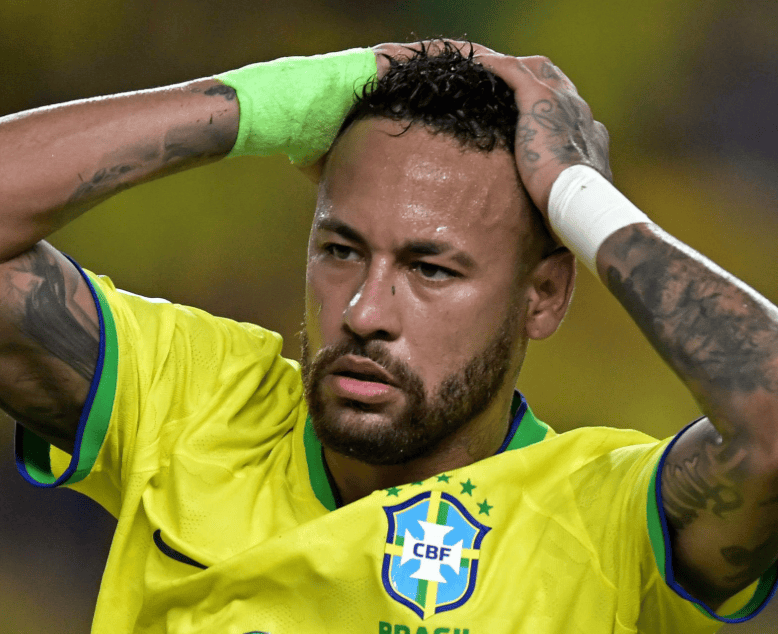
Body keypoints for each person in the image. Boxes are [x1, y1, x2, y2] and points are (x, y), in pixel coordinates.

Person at [0, 38, 776, 634]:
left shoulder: (606, 523)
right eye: (341, 251)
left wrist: (577, 195)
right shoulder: (193, 401)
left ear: (542, 296)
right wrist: (277, 102)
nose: (365, 311)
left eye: (430, 268)